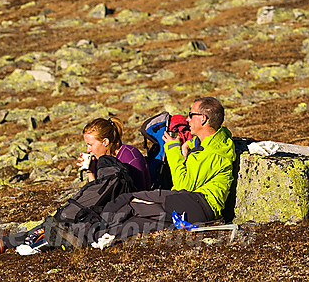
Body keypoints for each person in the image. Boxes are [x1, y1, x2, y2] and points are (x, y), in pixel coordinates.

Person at [0, 116, 149, 255]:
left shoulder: (128, 157)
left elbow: (135, 193)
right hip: (109, 207)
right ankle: (1, 244)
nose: (88, 149)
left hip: (125, 210)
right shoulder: (107, 159)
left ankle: (2, 244)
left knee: (61, 223)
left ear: (105, 142)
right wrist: (90, 170)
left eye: (90, 144)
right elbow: (96, 192)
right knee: (57, 222)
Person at [91, 96, 236, 249]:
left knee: (130, 203)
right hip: (197, 204)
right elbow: (207, 142)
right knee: (133, 212)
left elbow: (183, 186)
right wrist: (188, 143)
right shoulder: (218, 140)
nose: (187, 119)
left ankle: (93, 229)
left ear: (203, 119)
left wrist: (173, 148)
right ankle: (101, 232)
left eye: (191, 114)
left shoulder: (212, 154)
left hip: (199, 203)